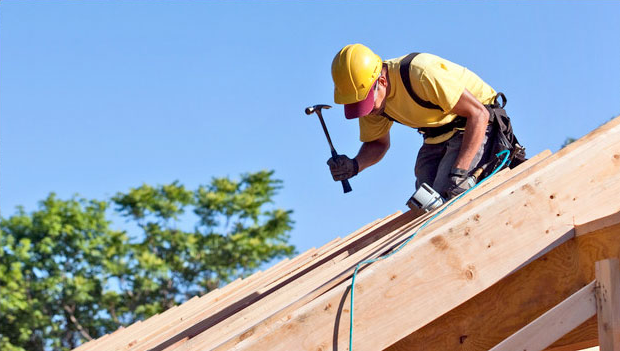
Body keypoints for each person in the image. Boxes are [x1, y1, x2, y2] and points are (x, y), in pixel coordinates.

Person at [327, 43, 525, 200]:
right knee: (425, 202)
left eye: (367, 103)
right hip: (437, 136)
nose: (367, 111)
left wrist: (459, 173)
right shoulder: (372, 106)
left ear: (382, 82)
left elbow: (478, 114)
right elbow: (378, 143)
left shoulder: (420, 73)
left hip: (476, 123)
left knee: (448, 195)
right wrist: (355, 165)